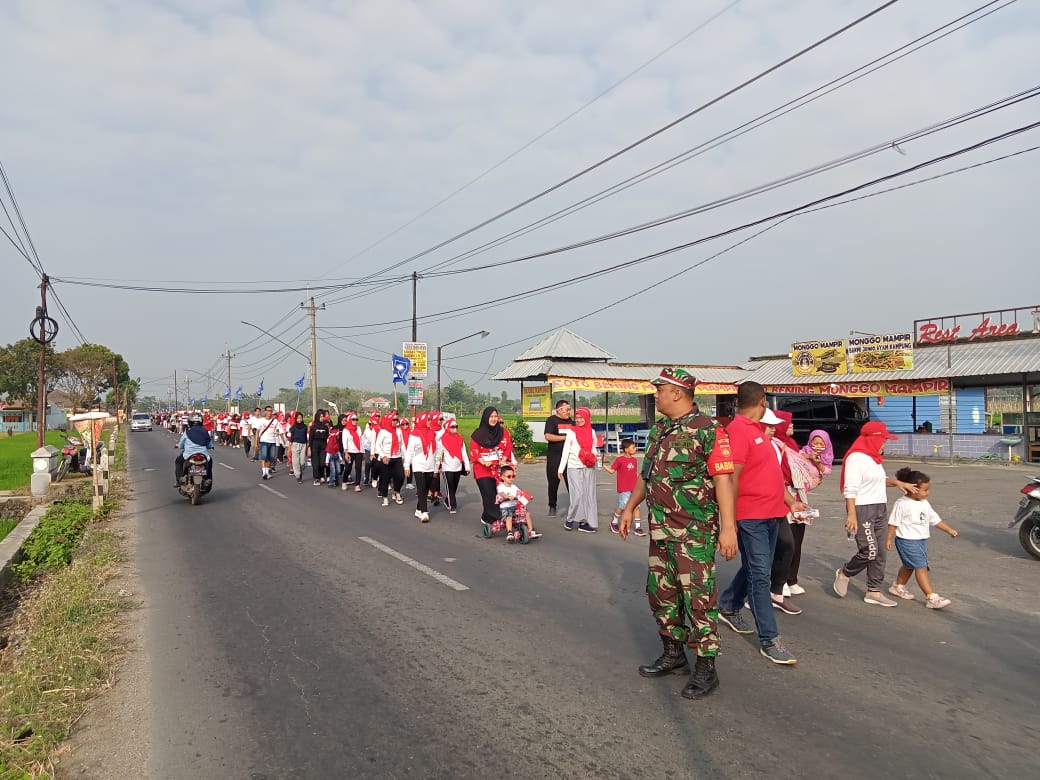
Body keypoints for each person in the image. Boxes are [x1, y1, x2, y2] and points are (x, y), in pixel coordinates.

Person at [618, 367, 737, 701]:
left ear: (678, 393)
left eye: (660, 390)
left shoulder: (709, 430)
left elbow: (724, 481)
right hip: (661, 529)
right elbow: (648, 474)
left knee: (699, 598)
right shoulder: (660, 429)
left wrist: (729, 528)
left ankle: (706, 667)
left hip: (694, 531)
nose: (655, 395)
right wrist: (629, 508)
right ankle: (673, 654)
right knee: (661, 593)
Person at [716, 382, 808, 666]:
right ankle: (770, 639)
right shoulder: (738, 432)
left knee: (759, 568)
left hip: (772, 513)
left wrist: (790, 501)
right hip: (751, 517)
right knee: (760, 576)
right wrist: (728, 525)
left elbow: (770, 475)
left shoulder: (759, 433)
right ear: (763, 401)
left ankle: (729, 605)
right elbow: (730, 480)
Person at [833, 421, 919, 607]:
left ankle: (874, 591)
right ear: (873, 439)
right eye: (883, 440)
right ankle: (845, 572)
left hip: (880, 507)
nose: (884, 444)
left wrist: (898, 483)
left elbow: (879, 480)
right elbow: (850, 489)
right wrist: (851, 514)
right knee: (869, 551)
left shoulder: (873, 459)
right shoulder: (856, 458)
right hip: (863, 509)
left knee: (880, 553)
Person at [886, 467, 958, 609]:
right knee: (921, 567)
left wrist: (948, 529)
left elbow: (934, 520)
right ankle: (931, 597)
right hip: (906, 540)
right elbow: (893, 523)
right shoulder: (902, 504)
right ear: (913, 489)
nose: (927, 493)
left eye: (928, 489)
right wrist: (888, 539)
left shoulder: (924, 503)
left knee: (909, 566)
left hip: (921, 540)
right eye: (925, 490)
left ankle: (898, 586)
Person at [785, 429, 834, 595]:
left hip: (802, 500)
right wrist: (806, 458)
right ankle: (780, 581)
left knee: (797, 543)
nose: (818, 446)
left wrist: (817, 462)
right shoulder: (797, 452)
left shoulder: (825, 458)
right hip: (787, 500)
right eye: (815, 443)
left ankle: (792, 579)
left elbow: (825, 471)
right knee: (786, 544)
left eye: (822, 444)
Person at [470, 406, 516, 530]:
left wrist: (504, 459)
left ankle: (487, 516)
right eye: (491, 416)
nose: (494, 419)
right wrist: (482, 461)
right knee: (489, 494)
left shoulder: (503, 432)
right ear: (486, 418)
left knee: (501, 493)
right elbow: (474, 450)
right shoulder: (478, 434)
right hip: (483, 468)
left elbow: (508, 447)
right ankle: (499, 516)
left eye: (495, 416)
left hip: (498, 468)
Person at [557, 406, 599, 533]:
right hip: (574, 466)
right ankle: (570, 519)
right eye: (577, 417)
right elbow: (566, 451)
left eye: (581, 417)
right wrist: (561, 468)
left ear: (587, 418)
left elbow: (594, 447)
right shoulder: (571, 431)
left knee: (588, 494)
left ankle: (584, 522)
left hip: (588, 466)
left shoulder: (591, 431)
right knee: (578, 494)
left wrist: (594, 456)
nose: (579, 420)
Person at [607, 439, 645, 537]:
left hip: (634, 488)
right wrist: (602, 465)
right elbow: (612, 470)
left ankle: (638, 527)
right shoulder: (619, 460)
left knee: (636, 507)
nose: (635, 449)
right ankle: (614, 522)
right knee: (623, 507)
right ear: (626, 449)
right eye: (633, 447)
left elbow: (634, 474)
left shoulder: (634, 460)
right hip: (624, 488)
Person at [405, 412, 437, 522]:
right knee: (421, 489)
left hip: (430, 465)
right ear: (423, 421)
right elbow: (409, 452)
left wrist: (437, 465)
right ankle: (424, 512)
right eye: (428, 420)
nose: (430, 421)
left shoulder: (432, 433)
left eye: (430, 419)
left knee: (426, 489)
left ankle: (418, 509)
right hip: (418, 466)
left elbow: (435, 451)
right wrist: (406, 467)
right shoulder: (414, 435)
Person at [543, 399, 572, 517]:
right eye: (566, 410)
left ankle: (575, 506)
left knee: (571, 482)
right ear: (559, 410)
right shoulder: (552, 420)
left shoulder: (572, 422)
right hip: (555, 456)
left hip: (570, 457)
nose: (568, 412)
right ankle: (552, 506)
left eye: (569, 410)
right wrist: (566, 438)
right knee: (553, 483)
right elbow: (548, 436)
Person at [495, 465, 541, 541]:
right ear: (502, 477)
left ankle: (531, 530)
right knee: (509, 516)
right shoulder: (501, 486)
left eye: (513, 476)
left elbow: (521, 493)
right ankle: (510, 533)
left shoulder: (514, 487)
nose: (511, 478)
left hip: (516, 506)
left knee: (527, 513)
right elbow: (501, 493)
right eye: (508, 476)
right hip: (506, 507)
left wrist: (528, 496)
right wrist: (507, 496)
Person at [436, 417, 470, 514]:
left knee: (454, 486)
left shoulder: (460, 439)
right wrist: (438, 465)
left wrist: (467, 466)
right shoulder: (442, 440)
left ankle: (448, 500)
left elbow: (464, 453)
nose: (454, 428)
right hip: (447, 467)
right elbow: (439, 454)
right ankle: (453, 505)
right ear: (447, 427)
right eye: (452, 427)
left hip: (458, 467)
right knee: (450, 486)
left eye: (456, 426)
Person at [375, 411, 406, 507]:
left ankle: (396, 492)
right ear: (389, 420)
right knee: (385, 478)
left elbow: (402, 445)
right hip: (386, 458)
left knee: (400, 476)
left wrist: (404, 456)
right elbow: (377, 445)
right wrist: (383, 455)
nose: (395, 421)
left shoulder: (399, 431)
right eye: (393, 420)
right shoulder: (383, 432)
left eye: (397, 420)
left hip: (397, 457)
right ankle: (385, 497)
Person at [175, 412, 214, 486]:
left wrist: (178, 446)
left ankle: (179, 479)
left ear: (189, 422)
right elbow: (209, 445)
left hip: (188, 455)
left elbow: (181, 444)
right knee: (210, 462)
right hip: (203, 455)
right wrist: (210, 447)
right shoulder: (205, 432)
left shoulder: (187, 432)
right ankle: (208, 479)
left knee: (178, 462)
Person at [255, 406, 284, 480]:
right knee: (264, 456)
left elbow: (279, 431)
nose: (269, 412)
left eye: (270, 411)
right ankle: (264, 472)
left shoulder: (275, 421)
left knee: (271, 457)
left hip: (272, 441)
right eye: (268, 411)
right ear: (265, 412)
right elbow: (257, 432)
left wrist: (284, 441)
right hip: (263, 441)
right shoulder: (261, 421)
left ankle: (267, 472)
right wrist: (256, 442)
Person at [341, 412, 364, 492]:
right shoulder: (346, 430)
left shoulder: (359, 428)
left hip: (359, 451)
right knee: (348, 468)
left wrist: (362, 451)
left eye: (356, 419)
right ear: (350, 420)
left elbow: (361, 440)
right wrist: (346, 453)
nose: (355, 421)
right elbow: (344, 442)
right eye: (353, 419)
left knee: (358, 468)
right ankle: (344, 481)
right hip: (350, 451)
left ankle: (357, 485)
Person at [309, 409, 330, 485]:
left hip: (323, 446)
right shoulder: (313, 427)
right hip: (315, 445)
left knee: (322, 462)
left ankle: (322, 474)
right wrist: (309, 448)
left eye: (323, 416)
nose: (322, 418)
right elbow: (311, 438)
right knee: (316, 463)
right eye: (320, 416)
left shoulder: (325, 427)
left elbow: (327, 437)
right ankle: (316, 478)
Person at [288, 411, 309, 483]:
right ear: (295, 419)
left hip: (303, 445)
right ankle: (298, 476)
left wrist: (307, 446)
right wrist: (289, 448)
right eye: (298, 418)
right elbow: (291, 438)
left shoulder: (305, 426)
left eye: (301, 418)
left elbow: (306, 437)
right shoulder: (293, 427)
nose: (299, 420)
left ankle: (300, 471)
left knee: (302, 462)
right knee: (295, 462)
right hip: (295, 445)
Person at [362, 412, 380, 487]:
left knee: (374, 465)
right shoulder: (367, 430)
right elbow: (362, 440)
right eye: (370, 424)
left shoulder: (378, 429)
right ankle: (366, 478)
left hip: (376, 450)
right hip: (367, 449)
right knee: (368, 463)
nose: (371, 425)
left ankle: (373, 478)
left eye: (379, 416)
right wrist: (362, 451)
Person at [325, 417, 343, 488]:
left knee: (338, 470)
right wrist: (326, 461)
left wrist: (341, 458)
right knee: (333, 470)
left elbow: (338, 451)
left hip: (337, 457)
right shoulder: (330, 444)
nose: (338, 436)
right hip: (331, 458)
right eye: (337, 435)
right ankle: (331, 482)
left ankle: (336, 480)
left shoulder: (336, 444)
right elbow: (328, 453)